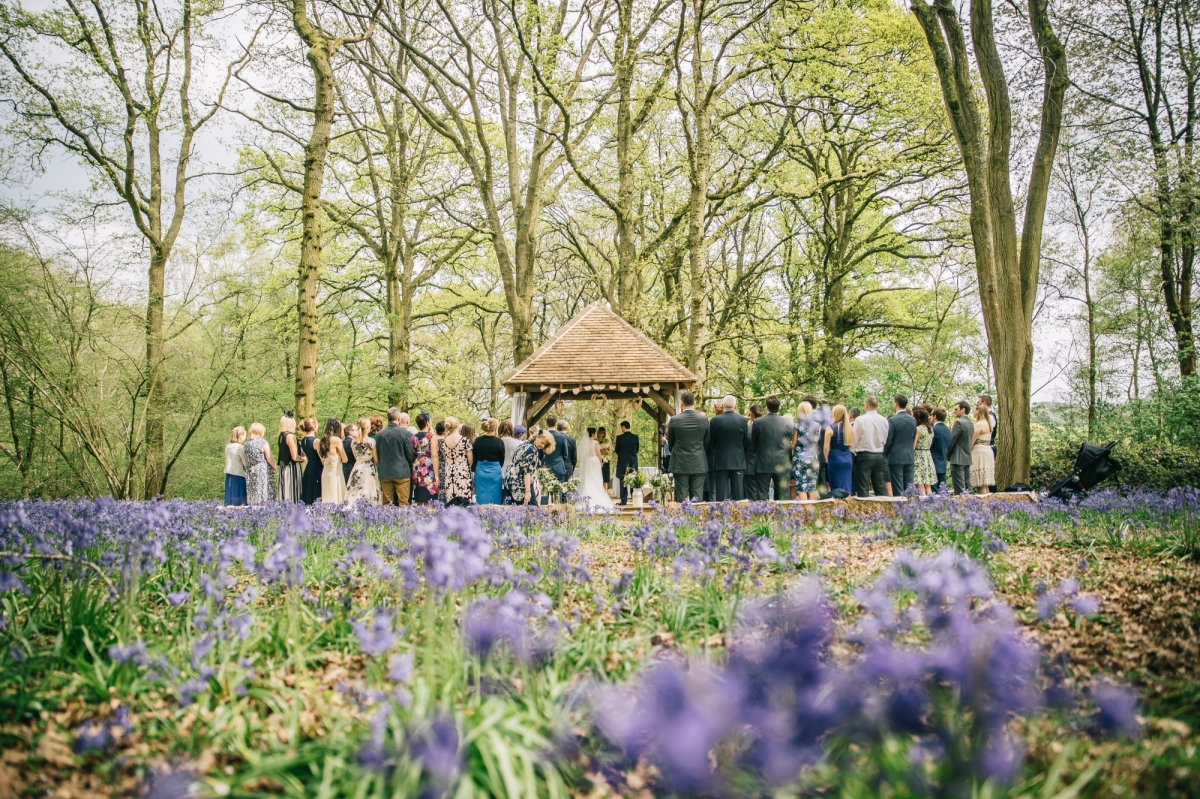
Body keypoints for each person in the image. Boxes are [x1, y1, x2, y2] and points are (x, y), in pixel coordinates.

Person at [666, 390, 710, 502]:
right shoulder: (704, 420)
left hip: (680, 462)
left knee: (681, 495)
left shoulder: (675, 420)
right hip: (698, 461)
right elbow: (706, 441)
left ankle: (683, 519)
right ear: (694, 403)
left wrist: (676, 451)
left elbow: (670, 442)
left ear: (681, 403)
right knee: (697, 494)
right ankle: (697, 518)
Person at [750, 395, 793, 501]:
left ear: (767, 408)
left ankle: (763, 517)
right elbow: (788, 443)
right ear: (779, 408)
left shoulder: (758, 422)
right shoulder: (787, 423)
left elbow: (753, 443)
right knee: (782, 495)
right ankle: (782, 517)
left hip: (763, 462)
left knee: (762, 495)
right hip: (781, 462)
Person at [709, 395, 749, 501]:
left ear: (722, 406)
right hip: (738, 460)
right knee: (739, 495)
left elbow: (711, 442)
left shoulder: (715, 421)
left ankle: (722, 515)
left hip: (721, 460)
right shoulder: (743, 420)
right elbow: (746, 441)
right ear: (735, 406)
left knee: (721, 495)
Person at [376, 407, 416, 505]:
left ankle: (385, 520)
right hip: (402, 471)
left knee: (386, 503)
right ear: (398, 418)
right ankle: (402, 520)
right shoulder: (405, 433)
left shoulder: (380, 434)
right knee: (403, 503)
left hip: (385, 471)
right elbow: (410, 453)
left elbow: (378, 452)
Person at [504, 431, 555, 505]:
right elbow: (527, 473)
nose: (543, 446)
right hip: (519, 484)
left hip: (510, 481)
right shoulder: (532, 450)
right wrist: (528, 492)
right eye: (542, 442)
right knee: (533, 510)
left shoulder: (526, 443)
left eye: (545, 445)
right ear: (537, 437)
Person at [852, 397, 890, 498]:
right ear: (877, 406)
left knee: (863, 487)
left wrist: (853, 452)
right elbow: (884, 439)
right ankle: (882, 510)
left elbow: (854, 439)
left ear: (866, 405)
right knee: (879, 486)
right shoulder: (884, 420)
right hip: (879, 455)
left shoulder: (860, 420)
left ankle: (864, 511)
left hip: (864, 454)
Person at [883, 394, 917, 495]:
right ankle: (911, 508)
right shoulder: (913, 420)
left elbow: (889, 440)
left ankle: (900, 509)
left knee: (897, 487)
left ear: (896, 404)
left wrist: (886, 454)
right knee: (909, 486)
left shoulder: (892, 420)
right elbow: (913, 436)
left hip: (895, 456)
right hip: (909, 455)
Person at [576, 427, 615, 509]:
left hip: (587, 462)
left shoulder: (585, 443)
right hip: (594, 461)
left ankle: (586, 497)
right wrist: (600, 462)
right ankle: (597, 495)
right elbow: (598, 454)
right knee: (596, 478)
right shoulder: (595, 442)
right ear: (593, 434)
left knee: (588, 478)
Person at [345, 417, 381, 504]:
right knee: (369, 491)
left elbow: (356, 457)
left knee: (355, 491)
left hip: (357, 467)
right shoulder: (371, 441)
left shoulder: (353, 442)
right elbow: (376, 459)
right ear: (368, 428)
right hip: (369, 468)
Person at [790, 401, 821, 501]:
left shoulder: (797, 426)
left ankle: (805, 512)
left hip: (800, 458)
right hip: (812, 457)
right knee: (812, 486)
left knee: (801, 486)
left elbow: (794, 444)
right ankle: (814, 512)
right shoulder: (817, 425)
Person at [440, 417, 473, 506]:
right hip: (462, 471)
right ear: (457, 425)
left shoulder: (443, 441)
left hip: (449, 471)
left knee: (451, 499)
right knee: (464, 499)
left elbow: (445, 457)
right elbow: (470, 459)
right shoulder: (464, 440)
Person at [472, 418, 505, 505]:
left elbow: (475, 456)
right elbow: (502, 459)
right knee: (496, 495)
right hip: (495, 471)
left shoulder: (477, 440)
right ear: (495, 428)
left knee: (480, 495)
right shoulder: (499, 442)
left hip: (480, 470)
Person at [823, 405, 854, 494]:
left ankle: (837, 507)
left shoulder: (830, 428)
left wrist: (827, 459)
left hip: (834, 458)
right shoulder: (849, 428)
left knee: (836, 486)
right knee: (847, 485)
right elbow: (851, 446)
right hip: (847, 458)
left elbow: (826, 447)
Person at [276, 415, 307, 503]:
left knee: (284, 489)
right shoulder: (290, 437)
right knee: (292, 491)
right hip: (291, 468)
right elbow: (294, 456)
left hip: (283, 467)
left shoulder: (281, 436)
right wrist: (303, 459)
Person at [243, 423, 276, 505]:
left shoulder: (247, 444)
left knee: (253, 489)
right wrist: (274, 466)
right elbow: (269, 457)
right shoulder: (263, 443)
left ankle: (253, 505)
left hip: (250, 469)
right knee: (263, 488)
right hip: (261, 469)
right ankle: (263, 505)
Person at [946, 401, 974, 495]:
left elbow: (951, 441)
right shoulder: (970, 423)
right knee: (967, 485)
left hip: (957, 457)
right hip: (967, 457)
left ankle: (961, 507)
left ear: (963, 410)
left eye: (956, 409)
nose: (954, 411)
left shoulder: (959, 423)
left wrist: (947, 455)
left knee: (959, 488)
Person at [411, 413, 439, 504]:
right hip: (428, 468)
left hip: (417, 467)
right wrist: (436, 475)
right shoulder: (431, 437)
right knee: (429, 499)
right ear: (427, 422)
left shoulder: (413, 437)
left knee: (419, 498)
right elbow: (434, 456)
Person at [319, 418, 348, 504]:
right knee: (336, 498)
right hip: (335, 473)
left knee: (327, 497)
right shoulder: (336, 440)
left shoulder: (322, 439)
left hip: (325, 472)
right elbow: (345, 459)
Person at [614, 420, 640, 504]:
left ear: (624, 427)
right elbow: (637, 450)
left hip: (622, 461)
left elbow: (616, 450)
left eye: (621, 427)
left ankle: (624, 499)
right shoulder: (635, 437)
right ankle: (634, 498)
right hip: (633, 461)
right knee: (633, 479)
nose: (621, 429)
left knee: (623, 480)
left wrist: (622, 455)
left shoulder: (619, 438)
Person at [971, 403, 996, 494]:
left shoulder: (979, 424)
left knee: (980, 482)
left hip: (979, 452)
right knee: (984, 483)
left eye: (974, 409)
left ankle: (983, 505)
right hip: (987, 450)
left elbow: (972, 441)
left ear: (978, 411)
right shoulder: (988, 424)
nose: (973, 411)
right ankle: (988, 504)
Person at [913, 407, 936, 496]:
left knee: (920, 483)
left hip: (919, 456)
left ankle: (922, 504)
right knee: (927, 484)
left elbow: (914, 446)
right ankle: (931, 503)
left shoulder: (918, 429)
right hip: (927, 455)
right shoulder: (930, 428)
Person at [299, 418, 323, 505]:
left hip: (309, 467)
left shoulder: (303, 440)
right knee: (316, 491)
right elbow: (322, 458)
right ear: (314, 428)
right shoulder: (316, 441)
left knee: (308, 490)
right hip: (317, 469)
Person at [542, 415, 570, 485]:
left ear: (546, 423)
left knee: (545, 492)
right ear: (556, 424)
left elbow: (540, 454)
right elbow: (565, 454)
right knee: (558, 490)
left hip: (546, 467)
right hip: (559, 467)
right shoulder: (562, 437)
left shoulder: (542, 436)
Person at [224, 426, 248, 506]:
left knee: (230, 494)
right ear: (240, 435)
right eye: (245, 435)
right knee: (239, 495)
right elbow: (245, 462)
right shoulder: (240, 448)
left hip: (229, 473)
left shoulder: (228, 446)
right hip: (239, 473)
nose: (245, 437)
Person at [744, 405, 762, 500]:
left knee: (751, 494)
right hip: (763, 465)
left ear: (751, 415)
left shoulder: (748, 429)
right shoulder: (765, 428)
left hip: (749, 465)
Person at [930, 408, 950, 491]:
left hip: (933, 461)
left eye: (931, 415)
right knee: (942, 490)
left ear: (935, 416)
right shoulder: (947, 430)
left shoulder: (933, 429)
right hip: (943, 461)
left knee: (934, 490)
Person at [596, 427, 612, 491]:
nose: (601, 434)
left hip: (605, 460)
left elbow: (610, 452)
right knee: (598, 475)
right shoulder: (595, 440)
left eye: (602, 433)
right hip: (597, 459)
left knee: (605, 476)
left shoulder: (607, 441)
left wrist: (606, 451)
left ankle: (605, 491)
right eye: (600, 433)